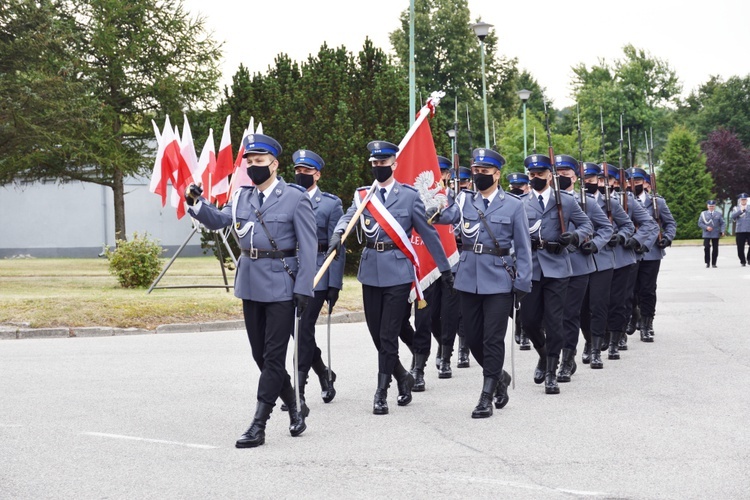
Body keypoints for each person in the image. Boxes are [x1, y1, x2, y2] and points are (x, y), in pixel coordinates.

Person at [184, 134, 316, 448]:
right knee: (261, 356)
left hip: (282, 286)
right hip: (250, 283)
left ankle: (259, 424)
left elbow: (309, 249)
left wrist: (304, 289)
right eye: (250, 162)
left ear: (274, 164)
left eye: (260, 162)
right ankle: (296, 405)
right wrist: (195, 204)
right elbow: (219, 220)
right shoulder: (243, 196)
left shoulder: (295, 197)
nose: (254, 167)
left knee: (273, 358)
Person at [327, 140, 453, 415]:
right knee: (376, 334)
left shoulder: (408, 196)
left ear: (394, 165)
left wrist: (445, 268)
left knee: (388, 334)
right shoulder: (363, 195)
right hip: (371, 270)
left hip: (398, 272)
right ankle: (403, 376)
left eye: (383, 163)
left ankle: (381, 392)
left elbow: (428, 234)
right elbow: (348, 217)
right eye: (374, 163)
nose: (378, 167)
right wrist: (338, 233)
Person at [437, 148, 532, 417]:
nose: (479, 176)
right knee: (474, 338)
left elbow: (524, 248)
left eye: (484, 172)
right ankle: (499, 377)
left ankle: (486, 395)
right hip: (468, 279)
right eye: (476, 171)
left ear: (497, 174)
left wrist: (523, 282)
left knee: (492, 339)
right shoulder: (465, 200)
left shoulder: (514, 205)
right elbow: (445, 217)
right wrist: (433, 204)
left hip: (499, 280)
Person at [520, 154, 593, 395]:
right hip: (531, 268)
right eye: (532, 175)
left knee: (554, 321)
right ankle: (543, 354)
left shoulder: (566, 202)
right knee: (529, 321)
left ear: (550, 176)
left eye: (540, 174)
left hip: (558, 268)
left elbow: (587, 226)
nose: (536, 178)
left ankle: (551, 371)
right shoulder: (521, 202)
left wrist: (574, 237)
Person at [290, 149, 344, 407]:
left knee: (303, 328)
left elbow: (337, 245)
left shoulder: (330, 204)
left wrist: (334, 284)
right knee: (298, 331)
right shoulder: (288, 198)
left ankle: (298, 390)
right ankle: (323, 372)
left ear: (317, 175)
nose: (301, 175)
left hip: (318, 273)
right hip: (291, 269)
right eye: (298, 171)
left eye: (307, 172)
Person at [553, 156, 612, 381]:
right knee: (552, 316)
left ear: (575, 178)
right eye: (556, 173)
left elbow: (605, 228)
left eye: (565, 174)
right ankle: (548, 355)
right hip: (552, 264)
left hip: (578, 264)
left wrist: (593, 244)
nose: (560, 178)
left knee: (570, 314)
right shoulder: (546, 200)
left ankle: (567, 360)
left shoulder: (586, 201)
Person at [578, 163, 635, 368]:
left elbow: (628, 225)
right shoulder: (573, 201)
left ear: (599, 181)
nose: (587, 184)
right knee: (583, 307)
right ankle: (588, 340)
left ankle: (596, 349)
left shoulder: (610, 202)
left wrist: (618, 236)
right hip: (581, 259)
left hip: (603, 259)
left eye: (591, 180)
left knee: (599, 305)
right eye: (583, 180)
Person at [631, 167, 677, 342]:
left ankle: (647, 324)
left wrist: (667, 237)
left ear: (645, 183)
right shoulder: (622, 201)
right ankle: (634, 315)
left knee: (648, 290)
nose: (633, 185)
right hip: (630, 252)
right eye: (630, 182)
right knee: (631, 291)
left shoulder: (657, 202)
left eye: (637, 182)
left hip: (651, 253)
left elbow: (670, 223)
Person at [506, 172, 532, 351]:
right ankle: (517, 323)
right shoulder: (505, 204)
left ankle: (524, 331)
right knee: (507, 299)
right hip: (505, 257)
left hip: (524, 256)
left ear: (527, 187)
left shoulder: (528, 204)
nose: (516, 190)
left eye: (520, 186)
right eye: (513, 187)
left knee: (525, 296)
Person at [698, 200, 725, 268]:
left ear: (714, 206)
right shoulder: (703, 214)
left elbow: (722, 223)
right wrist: (706, 227)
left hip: (715, 233)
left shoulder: (718, 214)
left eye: (712, 206)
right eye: (710, 206)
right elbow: (700, 223)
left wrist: (722, 231)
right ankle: (707, 262)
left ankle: (714, 263)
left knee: (715, 248)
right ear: (707, 206)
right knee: (706, 247)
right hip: (707, 233)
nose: (711, 207)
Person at [731, 193, 750, 266]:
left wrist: (746, 210)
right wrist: (740, 211)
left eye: (745, 199)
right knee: (740, 246)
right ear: (740, 200)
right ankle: (742, 261)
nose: (743, 201)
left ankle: (749, 258)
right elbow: (733, 216)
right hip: (740, 230)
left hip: (749, 229)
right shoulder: (736, 208)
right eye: (742, 200)